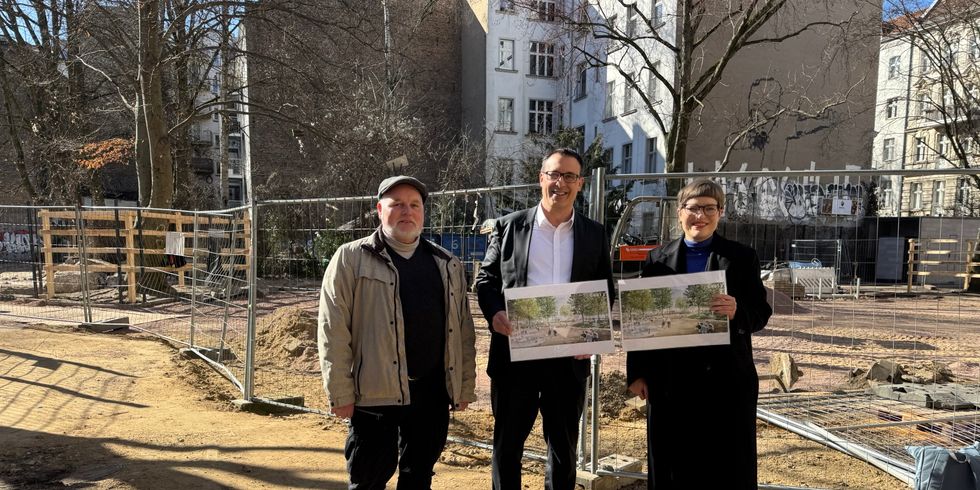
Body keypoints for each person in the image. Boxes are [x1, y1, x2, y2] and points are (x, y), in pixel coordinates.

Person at [317, 175, 477, 490]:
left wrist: (463, 386)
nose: (407, 211)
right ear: (380, 210)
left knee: (418, 478)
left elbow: (463, 330)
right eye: (397, 204)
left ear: (423, 212)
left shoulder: (447, 264)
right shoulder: (351, 258)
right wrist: (340, 392)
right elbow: (332, 329)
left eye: (414, 205)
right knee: (368, 479)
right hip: (375, 395)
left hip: (431, 393)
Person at [475, 148, 612, 490]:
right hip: (514, 356)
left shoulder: (594, 234)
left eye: (569, 176)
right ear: (541, 178)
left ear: (580, 184)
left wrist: (590, 336)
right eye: (554, 174)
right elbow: (486, 281)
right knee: (507, 446)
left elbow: (604, 291)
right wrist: (495, 314)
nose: (560, 183)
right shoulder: (508, 227)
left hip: (568, 359)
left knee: (563, 449)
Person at [626, 178, 772, 489]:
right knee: (670, 462)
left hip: (726, 380)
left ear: (720, 212)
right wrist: (637, 373)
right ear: (679, 212)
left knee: (726, 464)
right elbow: (643, 320)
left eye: (709, 209)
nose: (700, 216)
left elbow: (761, 313)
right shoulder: (656, 259)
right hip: (670, 381)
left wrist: (738, 310)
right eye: (693, 208)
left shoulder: (741, 257)